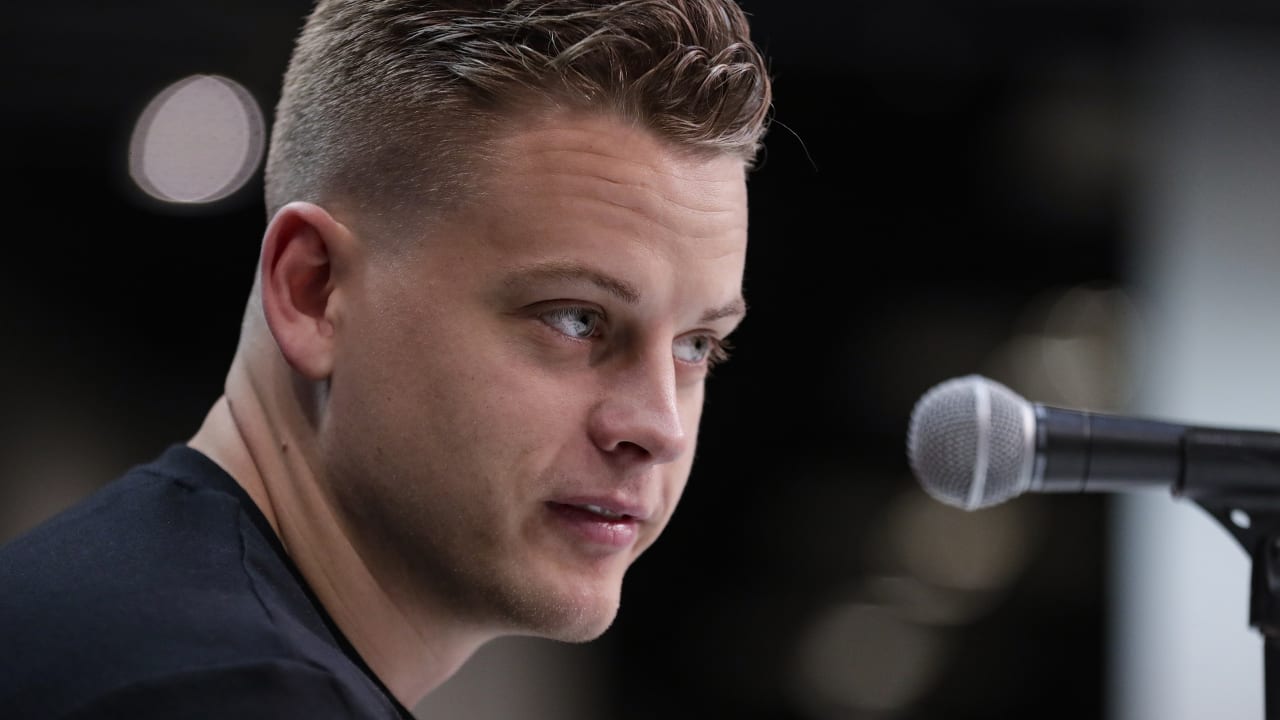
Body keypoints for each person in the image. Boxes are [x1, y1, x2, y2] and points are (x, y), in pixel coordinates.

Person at [0, 0, 772, 716]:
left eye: (696, 345)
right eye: (576, 319)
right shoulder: (230, 692)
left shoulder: (127, 616)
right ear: (313, 290)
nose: (659, 426)